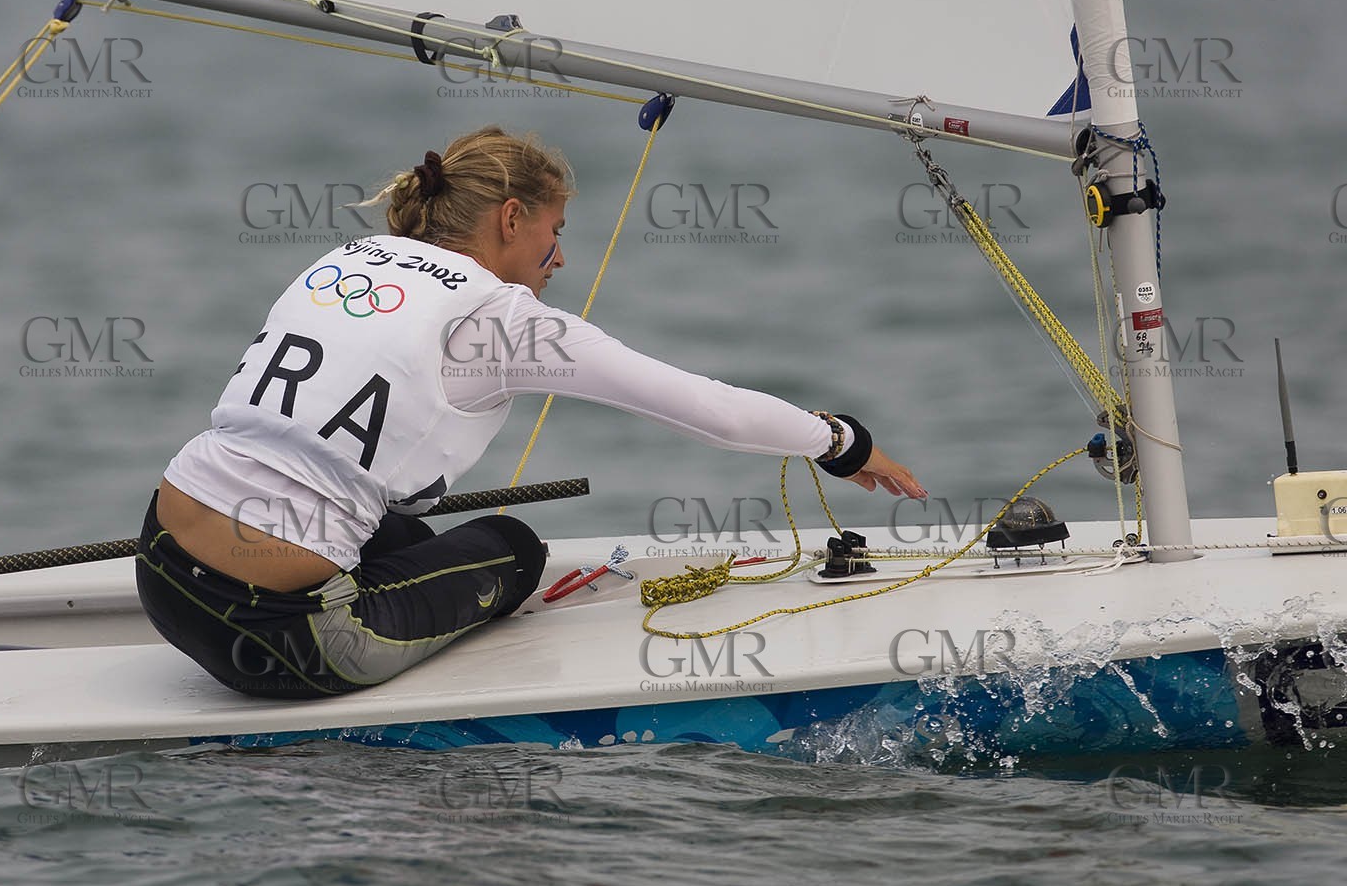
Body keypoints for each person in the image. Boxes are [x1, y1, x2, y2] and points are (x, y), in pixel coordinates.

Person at [136, 127, 925, 700]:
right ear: (511, 220)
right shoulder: (503, 320)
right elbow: (704, 408)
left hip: (160, 566)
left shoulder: (345, 258)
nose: (560, 259)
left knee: (402, 526)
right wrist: (842, 442)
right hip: (286, 639)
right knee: (512, 546)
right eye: (554, 235)